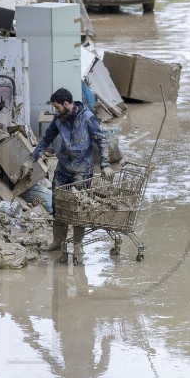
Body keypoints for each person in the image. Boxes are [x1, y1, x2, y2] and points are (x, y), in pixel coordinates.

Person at [30, 88, 113, 265]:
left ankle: (77, 244)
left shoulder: (87, 117)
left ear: (67, 104)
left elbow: (101, 140)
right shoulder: (59, 119)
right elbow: (46, 139)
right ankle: (57, 241)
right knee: (58, 205)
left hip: (82, 170)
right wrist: (34, 157)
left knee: (79, 207)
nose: (56, 110)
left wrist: (105, 165)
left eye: (58, 107)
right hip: (63, 168)